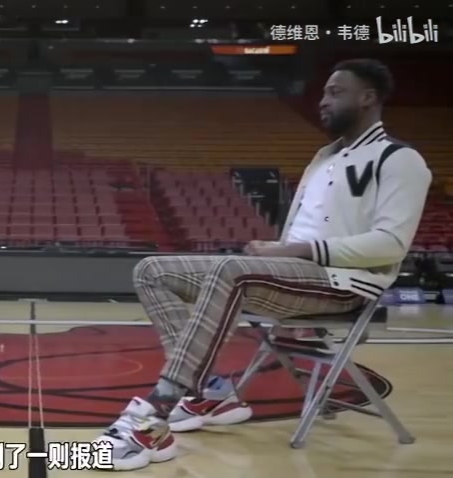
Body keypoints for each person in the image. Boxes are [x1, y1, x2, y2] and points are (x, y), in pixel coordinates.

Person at [92, 58, 432, 471]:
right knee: (152, 270)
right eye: (324, 92)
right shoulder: (325, 158)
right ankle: (209, 394)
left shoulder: (399, 159)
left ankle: (155, 416)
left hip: (344, 284)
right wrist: (278, 248)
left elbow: (391, 244)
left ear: (368, 98)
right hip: (299, 277)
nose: (323, 101)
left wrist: (294, 252)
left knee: (231, 271)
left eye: (335, 92)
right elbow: (312, 230)